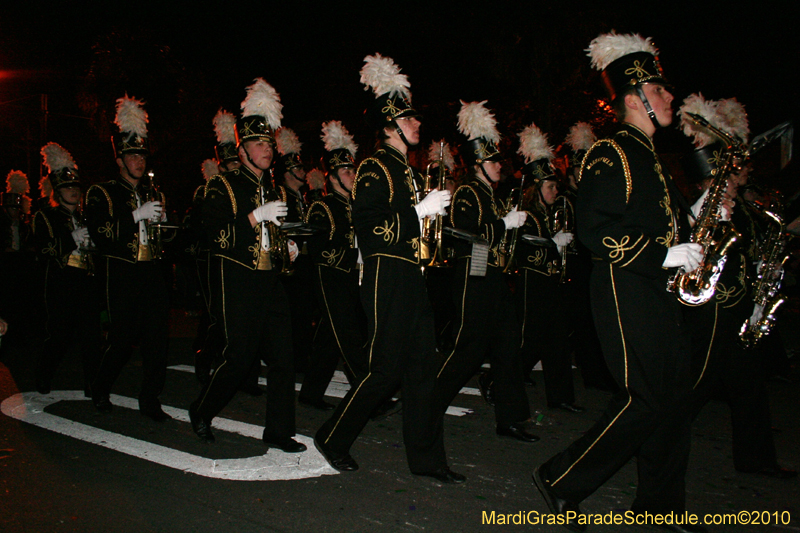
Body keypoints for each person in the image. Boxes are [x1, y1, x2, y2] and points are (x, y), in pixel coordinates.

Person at [533, 33, 705, 532]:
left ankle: (661, 507)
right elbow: (597, 230)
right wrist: (662, 253)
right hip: (624, 286)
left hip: (656, 289)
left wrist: (690, 224)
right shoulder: (613, 152)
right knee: (646, 398)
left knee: (673, 402)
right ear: (635, 100)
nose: (670, 97)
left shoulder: (651, 157)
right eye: (661, 90)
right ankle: (562, 478)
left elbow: (657, 224)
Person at [315, 54, 463, 483]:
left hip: (412, 275)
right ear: (389, 126)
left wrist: (433, 219)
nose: (417, 124)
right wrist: (419, 213)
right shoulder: (374, 167)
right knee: (383, 371)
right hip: (385, 277)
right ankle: (333, 437)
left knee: (423, 372)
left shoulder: (411, 173)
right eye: (409, 118)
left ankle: (427, 460)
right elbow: (368, 226)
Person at [678, 94, 797, 479]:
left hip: (738, 314)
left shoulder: (743, 209)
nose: (734, 181)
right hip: (708, 316)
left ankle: (757, 459)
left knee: (750, 389)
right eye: (726, 176)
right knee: (690, 392)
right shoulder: (697, 209)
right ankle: (652, 441)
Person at [188, 78, 304, 453]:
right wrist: (255, 217)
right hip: (236, 282)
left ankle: (279, 431)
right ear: (242, 151)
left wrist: (288, 244)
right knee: (238, 359)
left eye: (268, 143)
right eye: (257, 143)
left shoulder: (276, 189)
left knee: (285, 359)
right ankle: (202, 410)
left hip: (270, 281)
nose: (266, 149)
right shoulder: (220, 187)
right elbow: (216, 237)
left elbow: (272, 233)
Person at [434, 100, 537, 443]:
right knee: (468, 349)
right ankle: (428, 402)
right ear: (479, 163)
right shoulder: (467, 191)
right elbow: (466, 233)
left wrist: (512, 229)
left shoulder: (490, 195)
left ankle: (509, 419)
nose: (499, 166)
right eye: (493, 161)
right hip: (474, 274)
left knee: (509, 347)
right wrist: (501, 224)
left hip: (492, 275)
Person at [85, 95, 171, 421]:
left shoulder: (153, 193)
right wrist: (137, 215)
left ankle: (150, 399)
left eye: (142, 154)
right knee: (121, 341)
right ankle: (100, 386)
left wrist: (163, 223)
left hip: (152, 272)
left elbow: (168, 240)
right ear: (119, 159)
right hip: (122, 273)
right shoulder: (102, 192)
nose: (138, 160)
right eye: (132, 154)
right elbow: (101, 233)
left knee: (156, 341)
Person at [514, 122, 582, 413]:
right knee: (531, 340)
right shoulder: (525, 213)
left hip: (552, 281)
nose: (556, 191)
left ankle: (561, 397)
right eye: (550, 186)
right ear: (537, 187)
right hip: (532, 282)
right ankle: (499, 378)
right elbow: (523, 246)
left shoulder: (552, 212)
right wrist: (553, 243)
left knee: (557, 341)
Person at [299, 121, 366, 410]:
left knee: (330, 338)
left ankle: (311, 393)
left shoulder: (358, 207)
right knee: (349, 336)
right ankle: (369, 394)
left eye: (353, 170)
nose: (352, 176)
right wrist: (353, 256)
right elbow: (318, 250)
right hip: (331, 279)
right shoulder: (322, 207)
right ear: (333, 178)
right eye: (346, 171)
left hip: (354, 280)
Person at [32, 143, 101, 396]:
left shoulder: (87, 217)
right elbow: (44, 250)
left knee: (92, 337)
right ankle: (43, 375)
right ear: (57, 191)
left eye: (75, 187)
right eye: (66, 187)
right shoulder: (45, 217)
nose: (73, 191)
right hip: (62, 283)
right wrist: (72, 238)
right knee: (59, 336)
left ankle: (93, 384)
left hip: (86, 280)